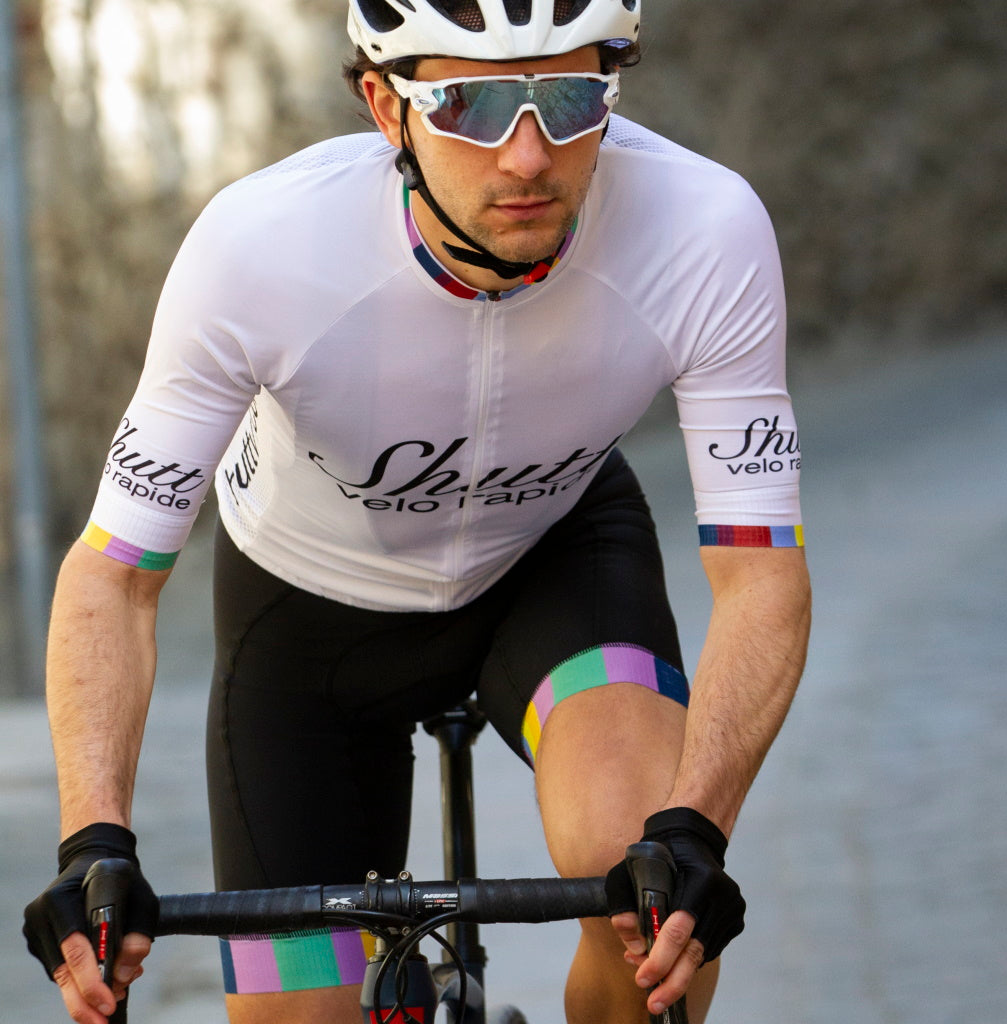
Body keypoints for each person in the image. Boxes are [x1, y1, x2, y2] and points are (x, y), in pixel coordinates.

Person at [23, 1, 811, 1022]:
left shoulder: (706, 228)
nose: (527, 156)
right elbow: (114, 573)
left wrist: (698, 827)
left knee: (654, 909)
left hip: (554, 559)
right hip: (306, 619)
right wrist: (92, 842)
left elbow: (761, 575)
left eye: (570, 101)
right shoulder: (259, 247)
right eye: (470, 106)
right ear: (385, 106)